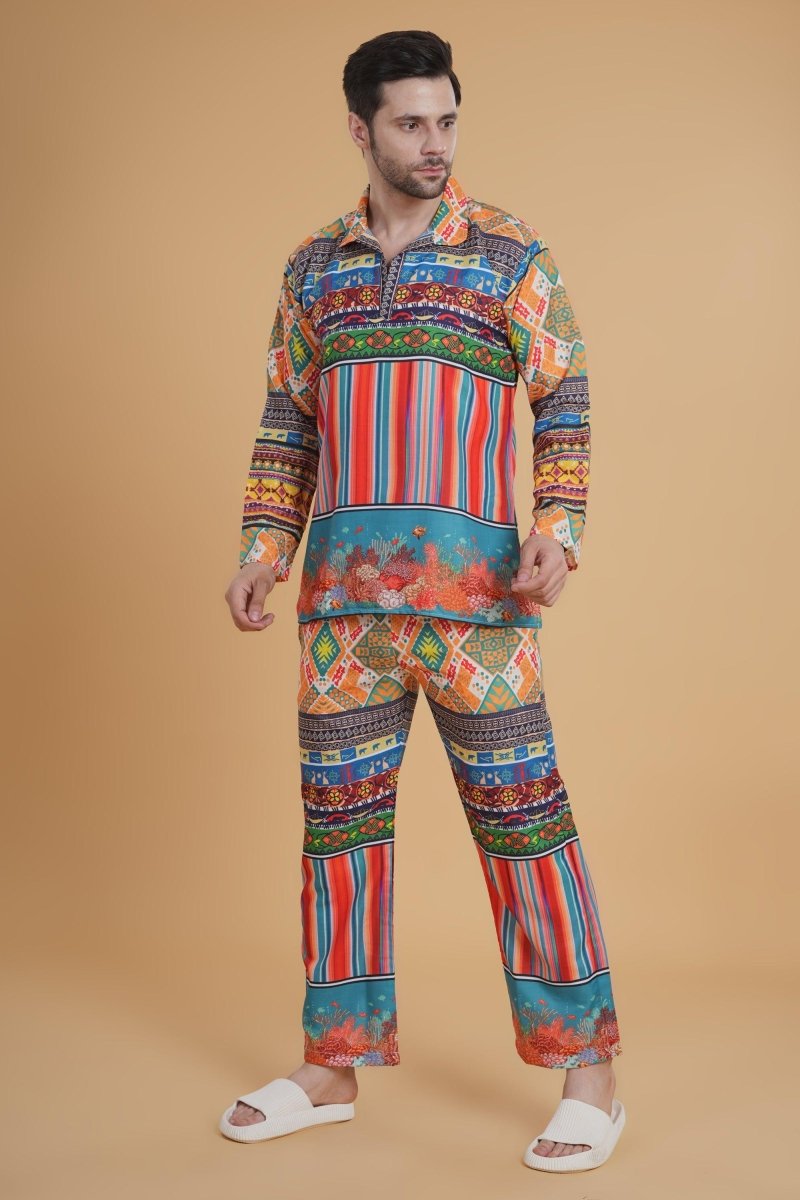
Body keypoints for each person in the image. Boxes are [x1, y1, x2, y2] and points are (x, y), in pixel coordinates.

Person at [220, 29, 626, 1173]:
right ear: (361, 129)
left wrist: (557, 530)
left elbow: (563, 395)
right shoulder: (312, 270)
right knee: (338, 834)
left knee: (523, 822)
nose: (434, 142)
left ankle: (590, 1072)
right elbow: (285, 422)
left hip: (478, 612)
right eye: (410, 123)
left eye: (446, 119)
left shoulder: (507, 255)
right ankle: (331, 1064)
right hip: (340, 619)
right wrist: (262, 547)